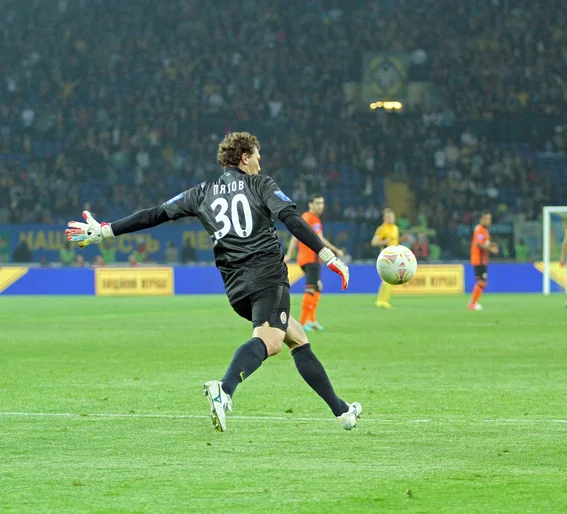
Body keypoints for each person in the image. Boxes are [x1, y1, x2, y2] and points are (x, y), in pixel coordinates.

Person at [66, 131, 360, 432]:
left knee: (296, 337)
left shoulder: (202, 192)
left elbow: (155, 214)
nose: (260, 161)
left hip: (236, 287)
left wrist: (105, 231)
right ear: (245, 157)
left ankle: (342, 411)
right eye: (257, 154)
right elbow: (291, 219)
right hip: (268, 277)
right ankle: (225, 389)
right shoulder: (261, 184)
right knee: (271, 341)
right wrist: (328, 255)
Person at [284, 194, 345, 332]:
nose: (320, 206)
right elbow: (318, 239)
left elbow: (297, 236)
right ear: (310, 204)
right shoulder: (310, 218)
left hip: (311, 258)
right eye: (317, 203)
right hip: (310, 257)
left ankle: (311, 320)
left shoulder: (311, 218)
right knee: (311, 288)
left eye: (322, 203)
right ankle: (303, 322)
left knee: (317, 287)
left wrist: (289, 254)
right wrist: (335, 250)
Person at [371, 208, 401, 309]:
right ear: (385, 218)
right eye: (389, 217)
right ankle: (381, 301)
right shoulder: (382, 229)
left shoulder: (395, 228)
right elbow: (374, 242)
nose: (391, 218)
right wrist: (385, 242)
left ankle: (383, 300)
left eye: (393, 216)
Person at [468, 211, 498, 311]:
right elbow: (478, 243)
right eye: (487, 219)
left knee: (482, 282)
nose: (489, 221)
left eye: (490, 219)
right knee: (482, 282)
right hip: (479, 260)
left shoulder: (485, 231)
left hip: (482, 260)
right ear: (482, 219)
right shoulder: (480, 230)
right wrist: (490, 248)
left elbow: (484, 243)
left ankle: (473, 303)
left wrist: (491, 245)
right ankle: (472, 304)